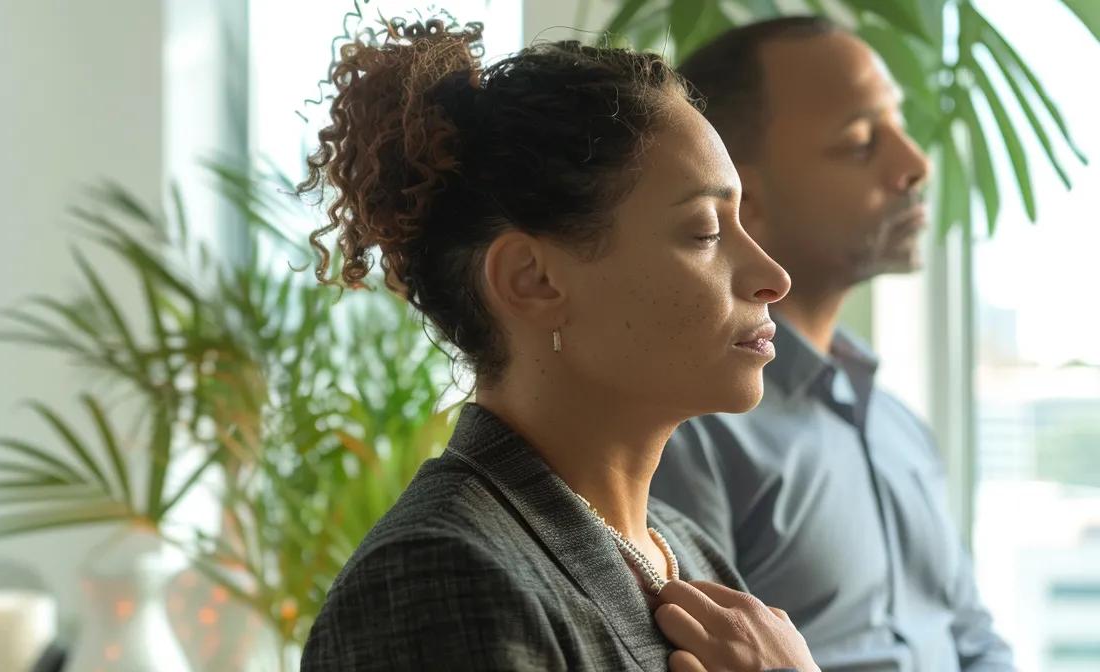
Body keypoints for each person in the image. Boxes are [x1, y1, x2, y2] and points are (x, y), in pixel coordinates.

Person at [295, 17, 815, 671]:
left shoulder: (687, 552)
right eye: (706, 230)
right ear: (532, 279)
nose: (773, 276)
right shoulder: (440, 575)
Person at [651, 17, 1015, 671]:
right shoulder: (688, 434)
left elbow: (974, 639)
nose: (915, 163)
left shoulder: (898, 425)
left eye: (897, 125)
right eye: (859, 142)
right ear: (742, 201)